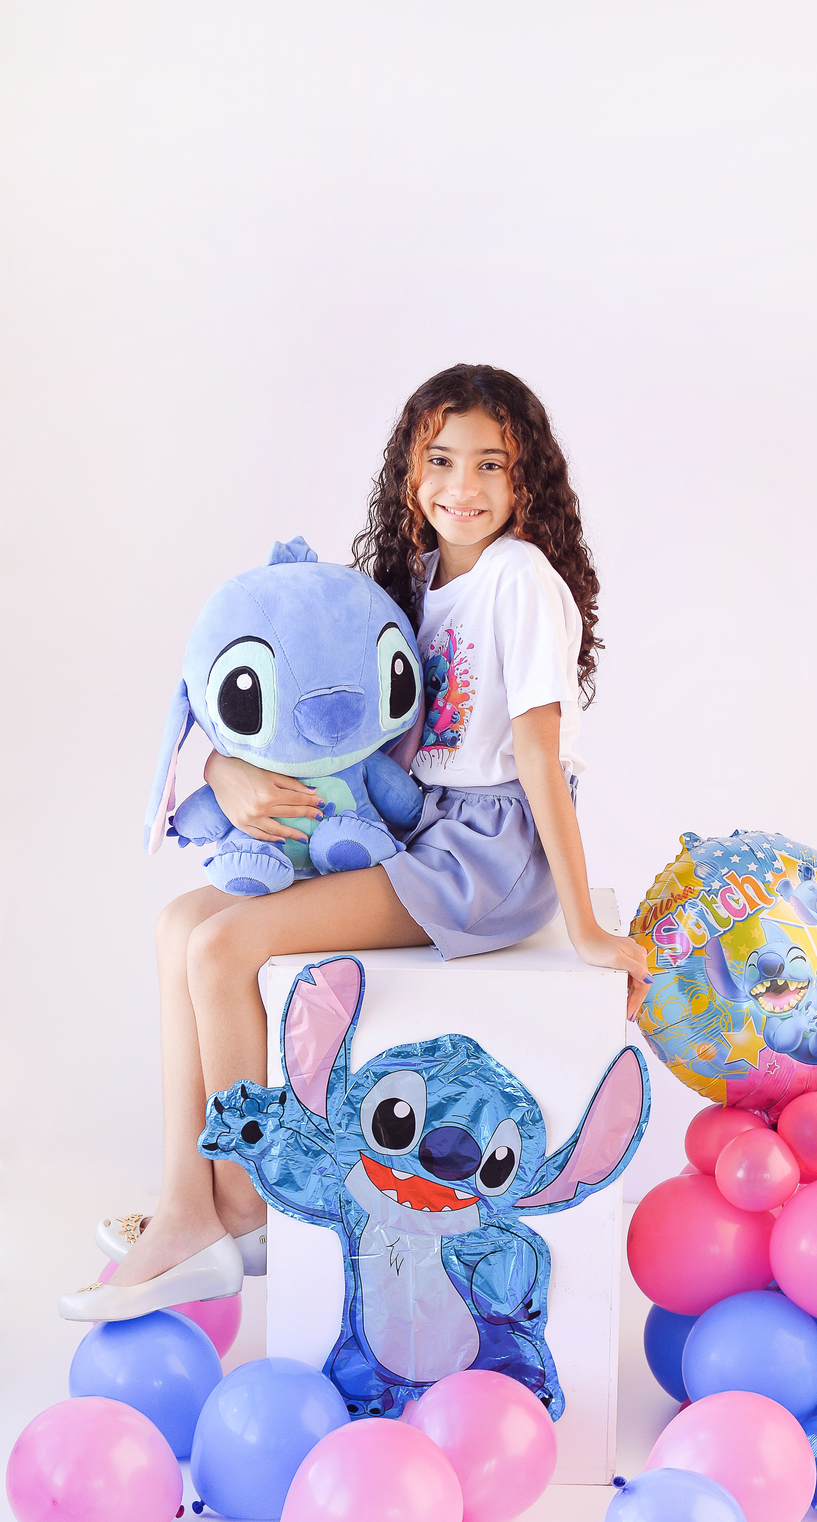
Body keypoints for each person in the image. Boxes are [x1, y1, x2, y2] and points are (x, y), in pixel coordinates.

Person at [60, 364, 650, 1321]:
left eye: (491, 464)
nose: (463, 487)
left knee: (224, 946)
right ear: (409, 471)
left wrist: (583, 927)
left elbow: (541, 757)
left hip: (485, 854)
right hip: (411, 823)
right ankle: (184, 1199)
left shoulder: (519, 580)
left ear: (526, 479)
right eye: (441, 460)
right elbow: (314, 702)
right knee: (179, 926)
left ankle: (245, 1206)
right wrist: (219, 765)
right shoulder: (418, 579)